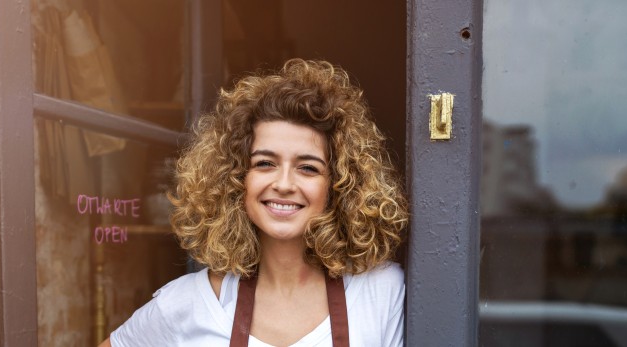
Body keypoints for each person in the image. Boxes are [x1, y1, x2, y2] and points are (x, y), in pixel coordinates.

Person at [101, 59, 408, 347]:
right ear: (236, 177)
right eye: (264, 163)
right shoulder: (188, 303)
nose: (284, 184)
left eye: (308, 168)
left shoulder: (382, 292)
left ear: (339, 184)